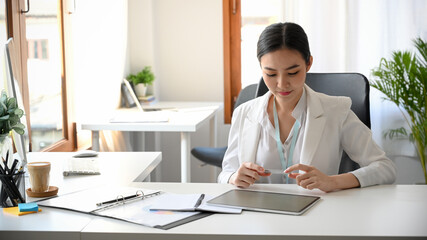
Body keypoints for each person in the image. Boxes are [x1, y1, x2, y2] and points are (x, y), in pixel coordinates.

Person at [218, 22, 396, 192]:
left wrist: (332, 181)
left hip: (316, 214)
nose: (282, 84)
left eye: (292, 72)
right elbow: (226, 173)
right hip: (259, 214)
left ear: (308, 63)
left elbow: (384, 168)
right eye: (271, 73)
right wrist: (234, 177)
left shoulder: (336, 111)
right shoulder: (244, 113)